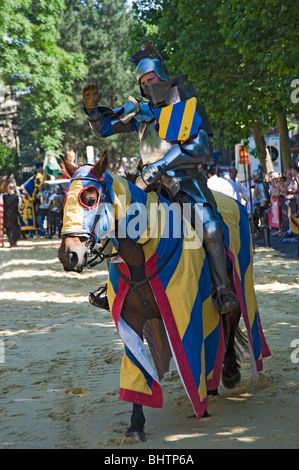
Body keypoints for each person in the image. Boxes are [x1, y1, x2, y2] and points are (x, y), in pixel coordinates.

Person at [81, 40, 238, 314]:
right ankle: (116, 288)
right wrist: (93, 112)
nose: (146, 85)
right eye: (142, 82)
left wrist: (162, 165)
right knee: (118, 229)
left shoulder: (187, 105)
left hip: (185, 183)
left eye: (150, 78)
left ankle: (222, 289)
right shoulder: (140, 112)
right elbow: (104, 130)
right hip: (149, 187)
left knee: (211, 229)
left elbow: (201, 149)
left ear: (163, 76)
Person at [3, 183, 21, 247]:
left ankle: (11, 240)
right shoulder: (17, 197)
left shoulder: (4, 197)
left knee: (8, 229)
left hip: (7, 214)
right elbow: (19, 205)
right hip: (15, 214)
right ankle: (14, 241)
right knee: (16, 228)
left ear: (8, 188)